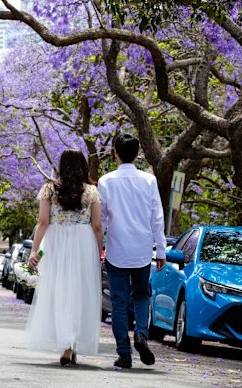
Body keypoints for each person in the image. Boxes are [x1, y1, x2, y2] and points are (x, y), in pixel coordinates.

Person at [26, 149, 103, 366]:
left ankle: (66, 344)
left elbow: (42, 222)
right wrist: (98, 251)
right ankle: (71, 343)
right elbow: (96, 225)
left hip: (57, 241)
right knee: (79, 293)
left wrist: (35, 251)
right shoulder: (91, 191)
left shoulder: (49, 189)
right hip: (83, 241)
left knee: (59, 291)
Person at [98, 134, 166, 369]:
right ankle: (141, 334)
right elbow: (157, 216)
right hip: (142, 250)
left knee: (118, 302)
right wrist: (161, 250)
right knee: (141, 296)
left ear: (115, 152)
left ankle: (124, 353)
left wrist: (99, 245)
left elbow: (103, 219)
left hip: (117, 250)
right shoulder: (149, 181)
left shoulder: (105, 181)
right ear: (137, 154)